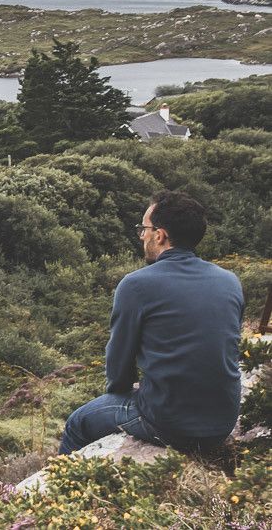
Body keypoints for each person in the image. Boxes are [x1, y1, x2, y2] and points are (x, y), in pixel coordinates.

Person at [59, 190, 244, 455]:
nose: (142, 235)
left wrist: (121, 394)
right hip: (222, 422)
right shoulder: (230, 281)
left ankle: (63, 491)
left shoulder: (136, 285)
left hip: (170, 424)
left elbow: (119, 365)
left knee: (77, 422)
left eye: (143, 229)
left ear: (160, 235)